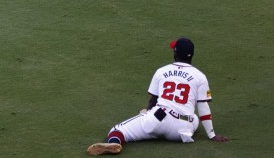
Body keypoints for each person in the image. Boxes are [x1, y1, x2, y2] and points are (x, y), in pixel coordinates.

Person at [87, 37, 230, 155]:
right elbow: (203, 106)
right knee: (195, 118)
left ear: (175, 53)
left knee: (118, 130)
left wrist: (148, 111)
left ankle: (114, 143)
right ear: (192, 55)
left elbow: (153, 100)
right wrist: (212, 135)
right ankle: (162, 130)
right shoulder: (200, 76)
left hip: (158, 119)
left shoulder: (162, 71)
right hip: (182, 130)